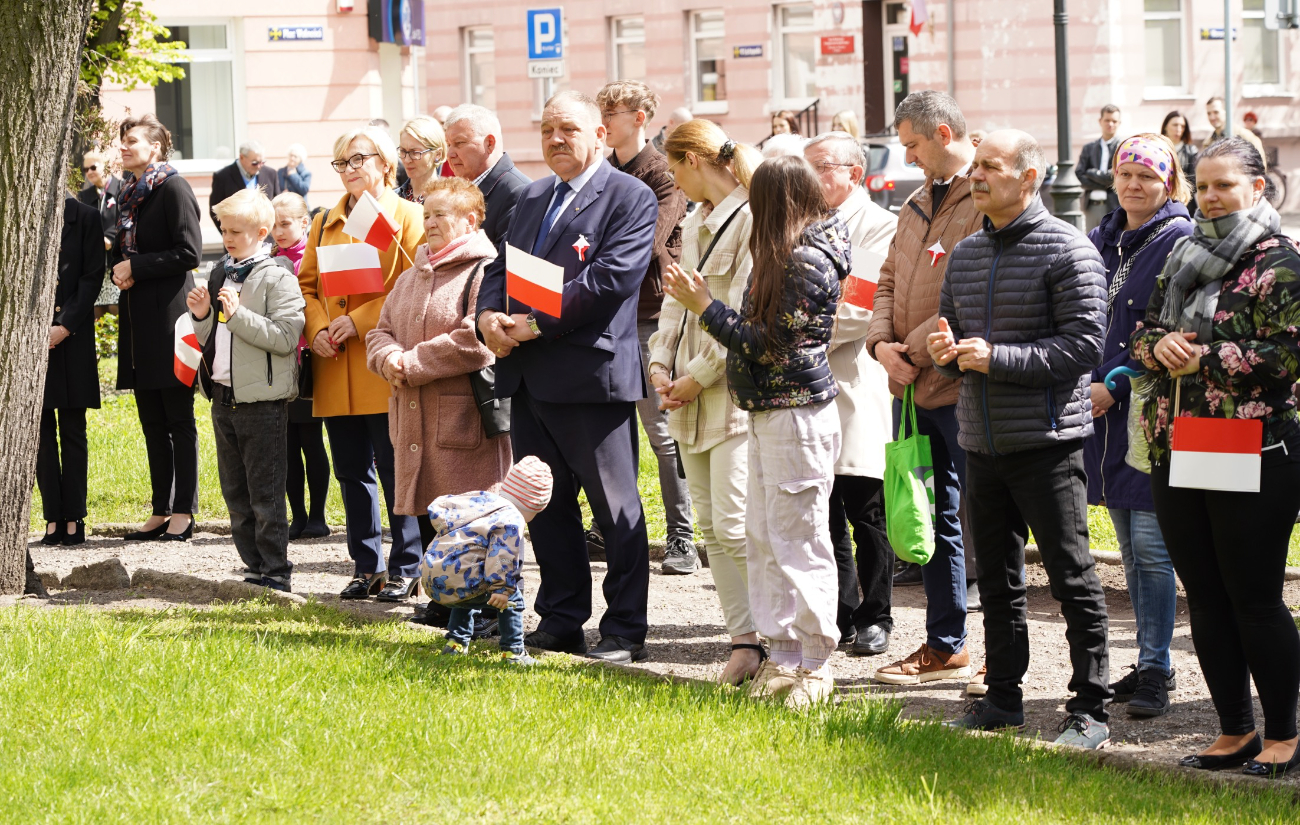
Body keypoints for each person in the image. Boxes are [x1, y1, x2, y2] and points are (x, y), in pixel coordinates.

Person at [932, 129, 1112, 749]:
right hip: (981, 443)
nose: (976, 176)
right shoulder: (966, 253)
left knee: (1072, 579)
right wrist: (947, 352)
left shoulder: (1069, 249)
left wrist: (996, 358)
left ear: (1030, 177)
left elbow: (1083, 347)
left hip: (1047, 441)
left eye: (991, 166)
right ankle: (1002, 700)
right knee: (998, 582)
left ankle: (1090, 709)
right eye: (975, 166)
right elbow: (956, 339)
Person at [1131, 137, 1300, 778]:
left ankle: (1284, 734)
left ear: (1257, 187)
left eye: (1224, 185)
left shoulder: (1279, 261)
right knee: (1203, 597)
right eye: (1202, 186)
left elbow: (1287, 357)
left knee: (1254, 598)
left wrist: (1204, 357)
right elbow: (1142, 334)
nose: (1210, 197)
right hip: (1180, 440)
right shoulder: (1183, 254)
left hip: (1253, 444)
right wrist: (1159, 347)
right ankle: (1234, 730)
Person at [476, 91, 657, 663]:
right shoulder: (533, 197)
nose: (556, 139)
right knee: (546, 504)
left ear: (599, 135)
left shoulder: (629, 196)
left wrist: (532, 325)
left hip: (589, 377)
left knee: (615, 510)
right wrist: (487, 317)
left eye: (569, 129)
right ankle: (560, 619)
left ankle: (625, 628)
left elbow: (610, 280)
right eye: (547, 129)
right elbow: (501, 267)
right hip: (529, 379)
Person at [664, 155, 847, 709]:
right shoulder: (784, 254)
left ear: (774, 203)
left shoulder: (806, 259)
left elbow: (770, 345)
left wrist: (705, 307)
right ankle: (783, 655)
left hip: (796, 413)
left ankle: (815, 664)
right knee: (765, 536)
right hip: (768, 410)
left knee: (800, 538)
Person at [865, 91, 978, 686]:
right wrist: (880, 346)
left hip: (961, 388)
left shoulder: (984, 195)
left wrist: (906, 347)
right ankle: (946, 644)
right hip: (912, 388)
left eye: (911, 144)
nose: (907, 157)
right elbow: (887, 279)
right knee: (929, 516)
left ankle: (989, 651)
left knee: (980, 521)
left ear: (942, 133)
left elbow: (972, 292)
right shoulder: (915, 202)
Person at [648, 119, 761, 683]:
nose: (674, 181)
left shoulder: (752, 217)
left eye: (674, 168)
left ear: (692, 159)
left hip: (730, 394)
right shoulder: (695, 221)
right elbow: (675, 301)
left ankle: (773, 638)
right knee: (712, 529)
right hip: (687, 397)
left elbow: (741, 311)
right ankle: (742, 641)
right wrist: (660, 362)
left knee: (737, 526)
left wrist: (695, 375)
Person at [1085, 134, 1193, 719]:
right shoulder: (1102, 237)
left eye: (1147, 176)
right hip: (1100, 414)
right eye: (1125, 173)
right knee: (1127, 544)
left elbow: (1170, 328)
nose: (1133, 184)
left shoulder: (1178, 239)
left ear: (1168, 184)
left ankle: (1155, 670)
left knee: (1152, 549)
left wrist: (1115, 385)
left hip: (1148, 413)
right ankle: (1152, 660)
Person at [298, 125, 425, 602]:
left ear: (385, 164)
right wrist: (317, 329)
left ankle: (407, 565)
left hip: (381, 363)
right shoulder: (323, 221)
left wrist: (358, 320)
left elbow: (414, 282)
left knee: (394, 469)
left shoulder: (408, 216)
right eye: (341, 162)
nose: (348, 169)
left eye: (358, 159)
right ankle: (366, 565)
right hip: (335, 364)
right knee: (351, 471)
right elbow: (306, 286)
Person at [366, 176, 512, 537]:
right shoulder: (409, 277)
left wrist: (410, 364)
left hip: (464, 432)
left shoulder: (486, 270)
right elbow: (379, 333)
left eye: (440, 214)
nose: (429, 223)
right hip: (413, 429)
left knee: (472, 537)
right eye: (426, 215)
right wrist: (388, 358)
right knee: (433, 540)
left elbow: (476, 339)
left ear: (470, 220)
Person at [805, 131, 899, 656]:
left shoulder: (877, 226)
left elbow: (859, 310)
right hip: (808, 386)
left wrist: (795, 336)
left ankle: (876, 614)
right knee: (823, 509)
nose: (810, 176)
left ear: (853, 173)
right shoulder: (803, 223)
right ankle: (839, 611)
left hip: (854, 382)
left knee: (866, 507)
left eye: (821, 166)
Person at [596, 80, 695, 573]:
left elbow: (647, 242)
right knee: (612, 429)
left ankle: (682, 537)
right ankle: (614, 525)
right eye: (601, 113)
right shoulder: (604, 171)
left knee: (661, 431)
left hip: (650, 315)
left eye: (611, 113)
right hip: (607, 313)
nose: (603, 122)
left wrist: (600, 246)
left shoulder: (662, 173)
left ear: (640, 118)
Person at [189, 189, 305, 592]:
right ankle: (253, 567)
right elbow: (212, 338)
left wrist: (238, 315)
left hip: (262, 402)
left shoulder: (279, 276)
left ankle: (276, 570)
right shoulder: (220, 272)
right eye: (224, 230)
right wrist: (202, 315)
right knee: (235, 493)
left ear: (261, 232)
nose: (228, 238)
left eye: (236, 231)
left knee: (265, 494)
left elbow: (286, 337)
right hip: (223, 397)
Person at [111, 113, 203, 543]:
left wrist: (137, 267)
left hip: (169, 317)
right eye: (122, 141)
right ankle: (160, 508)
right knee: (151, 419)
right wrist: (121, 270)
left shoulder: (174, 187)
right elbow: (123, 250)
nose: (123, 147)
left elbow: (189, 252)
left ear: (156, 147)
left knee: (177, 418)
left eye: (131, 140)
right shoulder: (128, 193)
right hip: (138, 319)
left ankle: (183, 510)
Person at [421, 456, 554, 666]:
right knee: (512, 600)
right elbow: (502, 556)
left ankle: (456, 643)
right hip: (461, 582)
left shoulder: (486, 503)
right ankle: (513, 652)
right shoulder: (512, 519)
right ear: (533, 506)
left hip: (436, 577)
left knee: (465, 591)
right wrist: (501, 588)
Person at [37, 196, 104, 547]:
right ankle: (52, 515)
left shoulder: (86, 217)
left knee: (74, 428)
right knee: (40, 431)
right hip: (32, 335)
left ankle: (75, 515)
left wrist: (64, 326)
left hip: (73, 335)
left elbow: (92, 277)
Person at [271, 192, 331, 540]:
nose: (278, 231)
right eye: (274, 225)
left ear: (304, 223)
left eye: (285, 224)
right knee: (287, 446)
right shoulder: (269, 260)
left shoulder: (313, 259)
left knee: (311, 440)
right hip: (279, 365)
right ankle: (298, 516)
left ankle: (318, 516)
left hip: (307, 364)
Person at [444, 104, 531, 249]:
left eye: (459, 143)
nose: (450, 154)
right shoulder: (460, 190)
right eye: (448, 145)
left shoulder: (518, 192)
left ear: (489, 144)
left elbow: (505, 258)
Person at [77, 149, 121, 318]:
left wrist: (110, 238)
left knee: (115, 308)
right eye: (86, 169)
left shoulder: (122, 188)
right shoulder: (83, 196)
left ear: (106, 166)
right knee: (96, 310)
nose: (89, 172)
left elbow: (127, 220)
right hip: (94, 262)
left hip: (116, 261)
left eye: (93, 167)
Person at [209, 140, 282, 229]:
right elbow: (215, 210)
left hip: (266, 235)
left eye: (262, 162)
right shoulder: (223, 177)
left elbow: (276, 205)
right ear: (242, 157)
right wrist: (230, 233)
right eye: (254, 163)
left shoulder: (270, 174)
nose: (259, 166)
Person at [1077, 104, 1122, 229]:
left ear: (1119, 123)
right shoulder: (1089, 148)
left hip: (1113, 206)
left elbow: (1115, 176)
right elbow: (1079, 176)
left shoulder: (1123, 148)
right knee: (1091, 240)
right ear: (1100, 121)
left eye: (1114, 121)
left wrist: (1091, 173)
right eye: (1107, 120)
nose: (1110, 124)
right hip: (1091, 206)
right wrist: (1107, 184)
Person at [395, 116, 445, 204]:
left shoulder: (447, 200)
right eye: (403, 151)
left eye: (415, 152)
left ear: (437, 154)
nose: (407, 160)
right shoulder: (393, 199)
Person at [1161, 111, 1198, 193]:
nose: (1178, 129)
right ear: (1166, 126)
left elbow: (1194, 181)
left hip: (1184, 196)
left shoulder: (1191, 151)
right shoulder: (1159, 148)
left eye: (1182, 126)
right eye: (1175, 125)